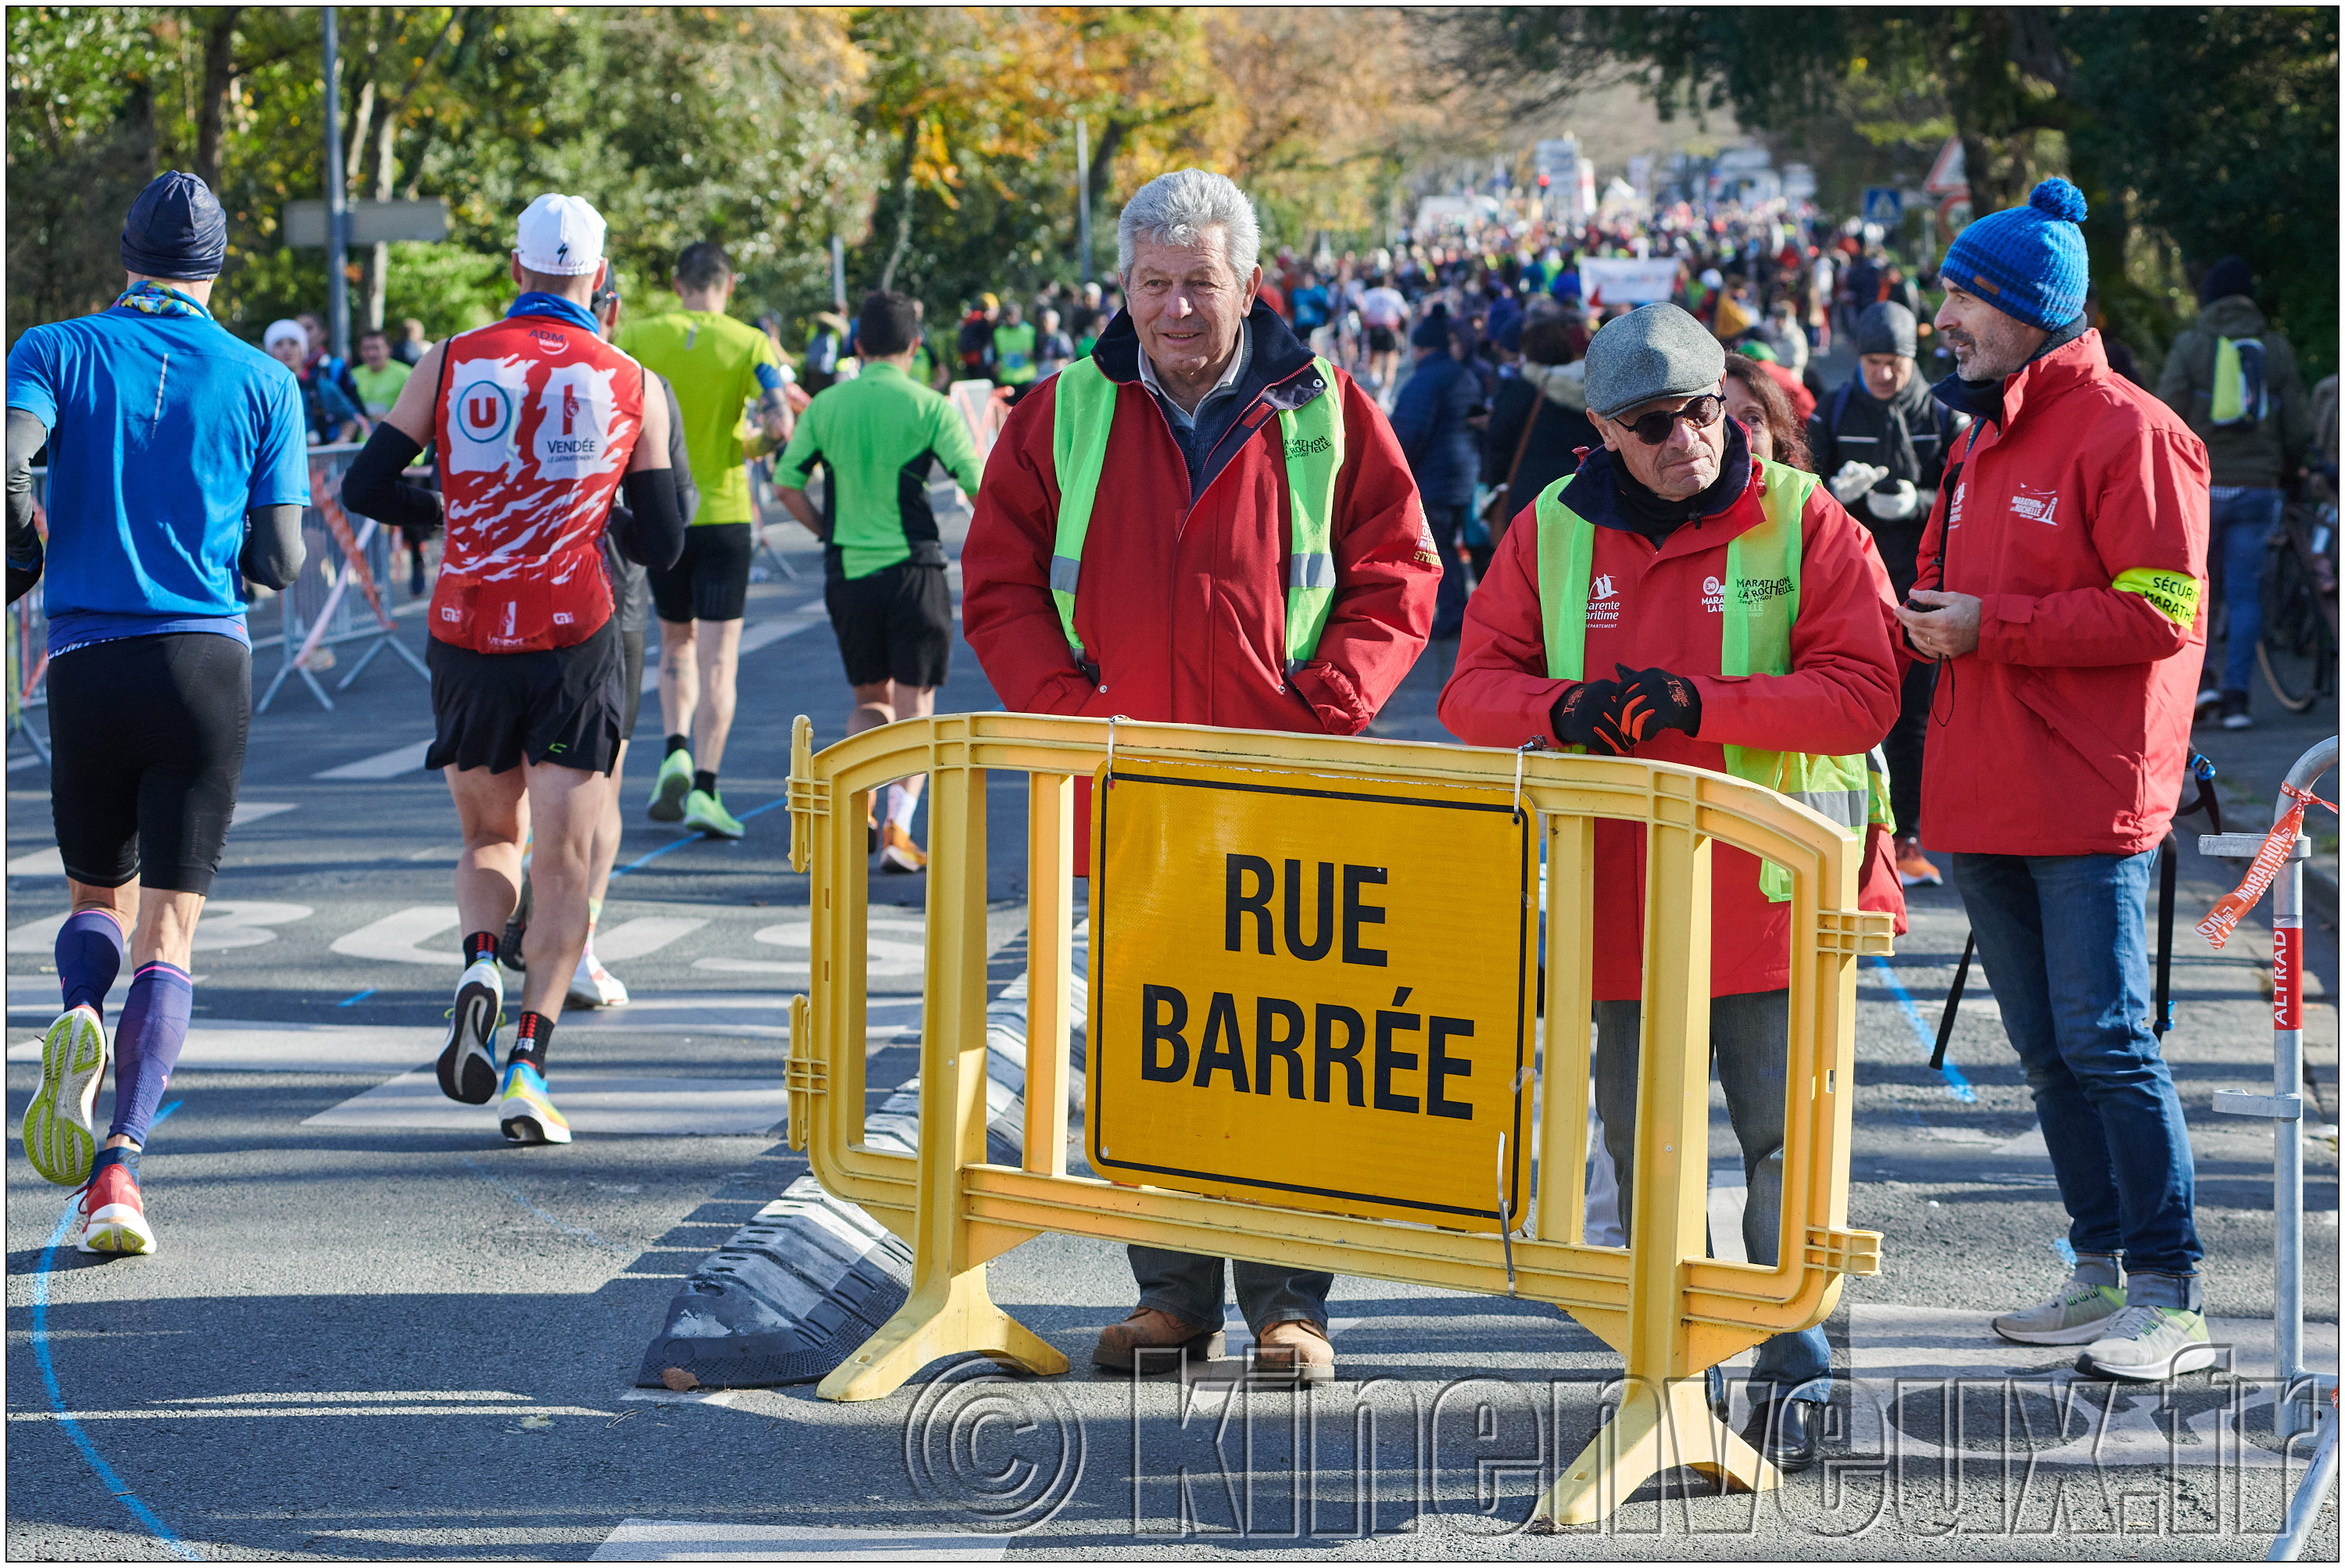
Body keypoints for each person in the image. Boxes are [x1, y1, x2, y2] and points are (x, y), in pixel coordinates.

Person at [961, 167, 1439, 1385]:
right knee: (1153, 1042)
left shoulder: (1326, 409)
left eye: (1200, 284)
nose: (1176, 309)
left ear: (1248, 286)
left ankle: (1293, 1303)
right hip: (1126, 789)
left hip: (1286, 781)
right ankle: (1172, 1296)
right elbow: (1001, 583)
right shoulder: (1062, 406)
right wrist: (1076, 718)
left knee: (1292, 1047)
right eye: (1154, 284)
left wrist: (1323, 711)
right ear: (1124, 286)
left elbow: (1399, 572)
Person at [1439, 302, 1906, 1473]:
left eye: (1702, 409)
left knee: (1780, 1151)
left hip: (1769, 905)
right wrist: (1562, 708)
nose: (1687, 438)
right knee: (1650, 1163)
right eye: (1654, 424)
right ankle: (1671, 1373)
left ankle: (1798, 1372)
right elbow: (1471, 690)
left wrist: (1707, 706)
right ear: (1600, 431)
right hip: (1623, 910)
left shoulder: (1803, 518)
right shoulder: (1549, 529)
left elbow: (1866, 691)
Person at [1897, 180, 2214, 1381]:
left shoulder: (2134, 431)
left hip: (2087, 796)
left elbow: (2165, 610)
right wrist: (1922, 620)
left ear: (2031, 307)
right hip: (1985, 791)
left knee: (2108, 1039)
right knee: (2044, 1048)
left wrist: (1992, 625)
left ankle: (2170, 1288)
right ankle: (2098, 1267)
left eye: (1964, 296)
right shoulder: (1983, 425)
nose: (1945, 319)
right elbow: (1964, 590)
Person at [342, 192, 683, 1147]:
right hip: (573, 634)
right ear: (600, 278)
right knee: (566, 857)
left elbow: (365, 484)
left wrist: (457, 511)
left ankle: (479, 960)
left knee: (490, 837)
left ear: (517, 269)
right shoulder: (631, 378)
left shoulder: (450, 357)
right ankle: (531, 1062)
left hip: (467, 626)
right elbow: (662, 538)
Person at [6, 171, 309, 1251]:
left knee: (97, 891)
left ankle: (79, 1013)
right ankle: (120, 1171)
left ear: (125, 254)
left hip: (88, 658)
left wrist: (26, 541)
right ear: (218, 266)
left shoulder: (51, 348)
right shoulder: (266, 378)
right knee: (170, 930)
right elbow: (279, 559)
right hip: (204, 664)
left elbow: (9, 453)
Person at [773, 291, 987, 872]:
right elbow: (977, 483)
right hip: (916, 571)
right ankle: (900, 825)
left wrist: (826, 529)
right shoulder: (932, 407)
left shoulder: (824, 407)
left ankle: (861, 803)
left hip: (849, 571)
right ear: (915, 347)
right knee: (917, 706)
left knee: (869, 701)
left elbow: (785, 485)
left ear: (858, 345)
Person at [617, 241, 793, 838]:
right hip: (724, 512)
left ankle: (674, 751)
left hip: (664, 511)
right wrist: (754, 445)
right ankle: (707, 789)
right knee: (721, 659)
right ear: (729, 283)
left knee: (675, 643)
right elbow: (779, 423)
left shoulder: (638, 336)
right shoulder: (749, 341)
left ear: (675, 284)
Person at [570, 281, 699, 1006]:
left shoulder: (485, 368)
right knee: (598, 790)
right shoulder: (638, 384)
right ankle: (579, 945)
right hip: (607, 604)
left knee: (503, 805)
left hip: (494, 605)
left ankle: (485, 953)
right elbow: (673, 518)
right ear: (611, 307)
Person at [1809, 302, 1967, 886]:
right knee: (1847, 706)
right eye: (1874, 363)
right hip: (1848, 586)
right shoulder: (1835, 409)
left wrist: (1918, 502)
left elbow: (1965, 492)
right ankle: (1844, 836)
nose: (1884, 375)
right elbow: (1801, 483)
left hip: (1920, 584)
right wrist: (1833, 491)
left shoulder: (1944, 412)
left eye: (1894, 364)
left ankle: (1907, 838)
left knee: (1915, 719)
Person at [2157, 255, 2313, 730]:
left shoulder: (2191, 345)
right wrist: (2290, 470)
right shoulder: (2275, 348)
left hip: (2202, 488)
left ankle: (2201, 684)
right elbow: (2298, 424)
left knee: (2195, 592)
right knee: (2246, 595)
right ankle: (2238, 702)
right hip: (2257, 489)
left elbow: (2165, 413)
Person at [1388, 310, 1481, 638]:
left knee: (1436, 551)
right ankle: (1462, 612)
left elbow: (1407, 434)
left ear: (1421, 348)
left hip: (1436, 478)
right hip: (1464, 474)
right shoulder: (1464, 375)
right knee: (1451, 549)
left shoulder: (1424, 380)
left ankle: (1453, 615)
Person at [1480, 316, 1600, 551]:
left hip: (1530, 495)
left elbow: (1498, 441)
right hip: (1585, 495)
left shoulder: (1524, 390)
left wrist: (1496, 482)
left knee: (1531, 571)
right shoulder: (1597, 393)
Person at [264, 319, 362, 445]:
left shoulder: (322, 386)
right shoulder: (265, 392)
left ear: (303, 349)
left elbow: (351, 418)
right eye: (279, 344)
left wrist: (338, 444)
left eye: (293, 343)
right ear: (270, 352)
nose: (286, 349)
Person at [1359, 274, 1408, 396]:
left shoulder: (1369, 294)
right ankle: (1385, 393)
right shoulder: (1394, 295)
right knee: (1391, 361)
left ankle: (1376, 379)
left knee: (1374, 358)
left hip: (1373, 329)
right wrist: (1402, 331)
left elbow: (1362, 312)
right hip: (1390, 330)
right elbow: (1405, 314)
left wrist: (1363, 325)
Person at [351, 327, 413, 421]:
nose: (371, 353)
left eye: (376, 348)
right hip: (362, 434)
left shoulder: (406, 374)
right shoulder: (353, 375)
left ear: (388, 349)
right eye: (366, 349)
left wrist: (392, 418)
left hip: (393, 432)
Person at [992, 299, 1038, 398]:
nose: (1012, 318)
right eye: (1009, 315)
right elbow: (993, 356)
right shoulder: (998, 333)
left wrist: (1032, 354)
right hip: (1006, 380)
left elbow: (1040, 354)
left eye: (1015, 314)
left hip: (1027, 379)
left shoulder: (1029, 331)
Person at [1034, 307, 1075, 381]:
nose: (1044, 324)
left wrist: (1061, 362)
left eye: (1046, 322)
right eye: (1043, 321)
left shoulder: (1061, 338)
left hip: (1056, 374)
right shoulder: (1040, 337)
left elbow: (1069, 357)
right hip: (1042, 373)